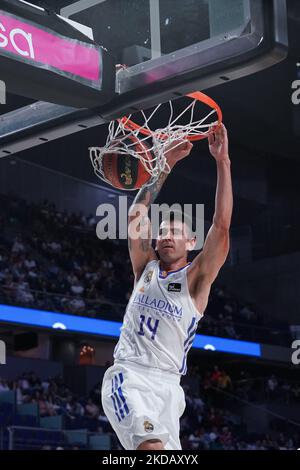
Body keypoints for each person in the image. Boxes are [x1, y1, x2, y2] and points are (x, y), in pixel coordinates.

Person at [101, 124, 233, 450]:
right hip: (130, 376)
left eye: (175, 231)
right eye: (162, 231)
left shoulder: (196, 280)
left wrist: (223, 161)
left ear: (192, 241)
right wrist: (165, 165)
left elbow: (221, 224)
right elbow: (135, 214)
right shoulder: (144, 268)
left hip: (169, 390)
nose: (167, 235)